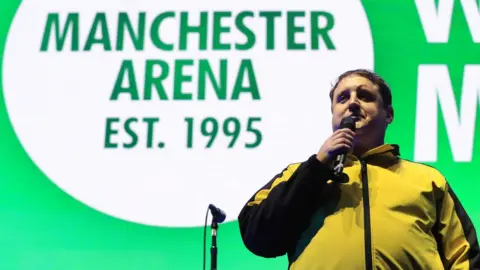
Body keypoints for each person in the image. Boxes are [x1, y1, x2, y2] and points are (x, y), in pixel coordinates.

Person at [237, 69, 480, 269]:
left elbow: (464, 256)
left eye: (364, 96)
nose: (353, 102)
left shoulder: (428, 179)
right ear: (333, 114)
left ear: (389, 114)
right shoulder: (301, 174)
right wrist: (317, 167)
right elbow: (258, 237)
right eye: (342, 98)